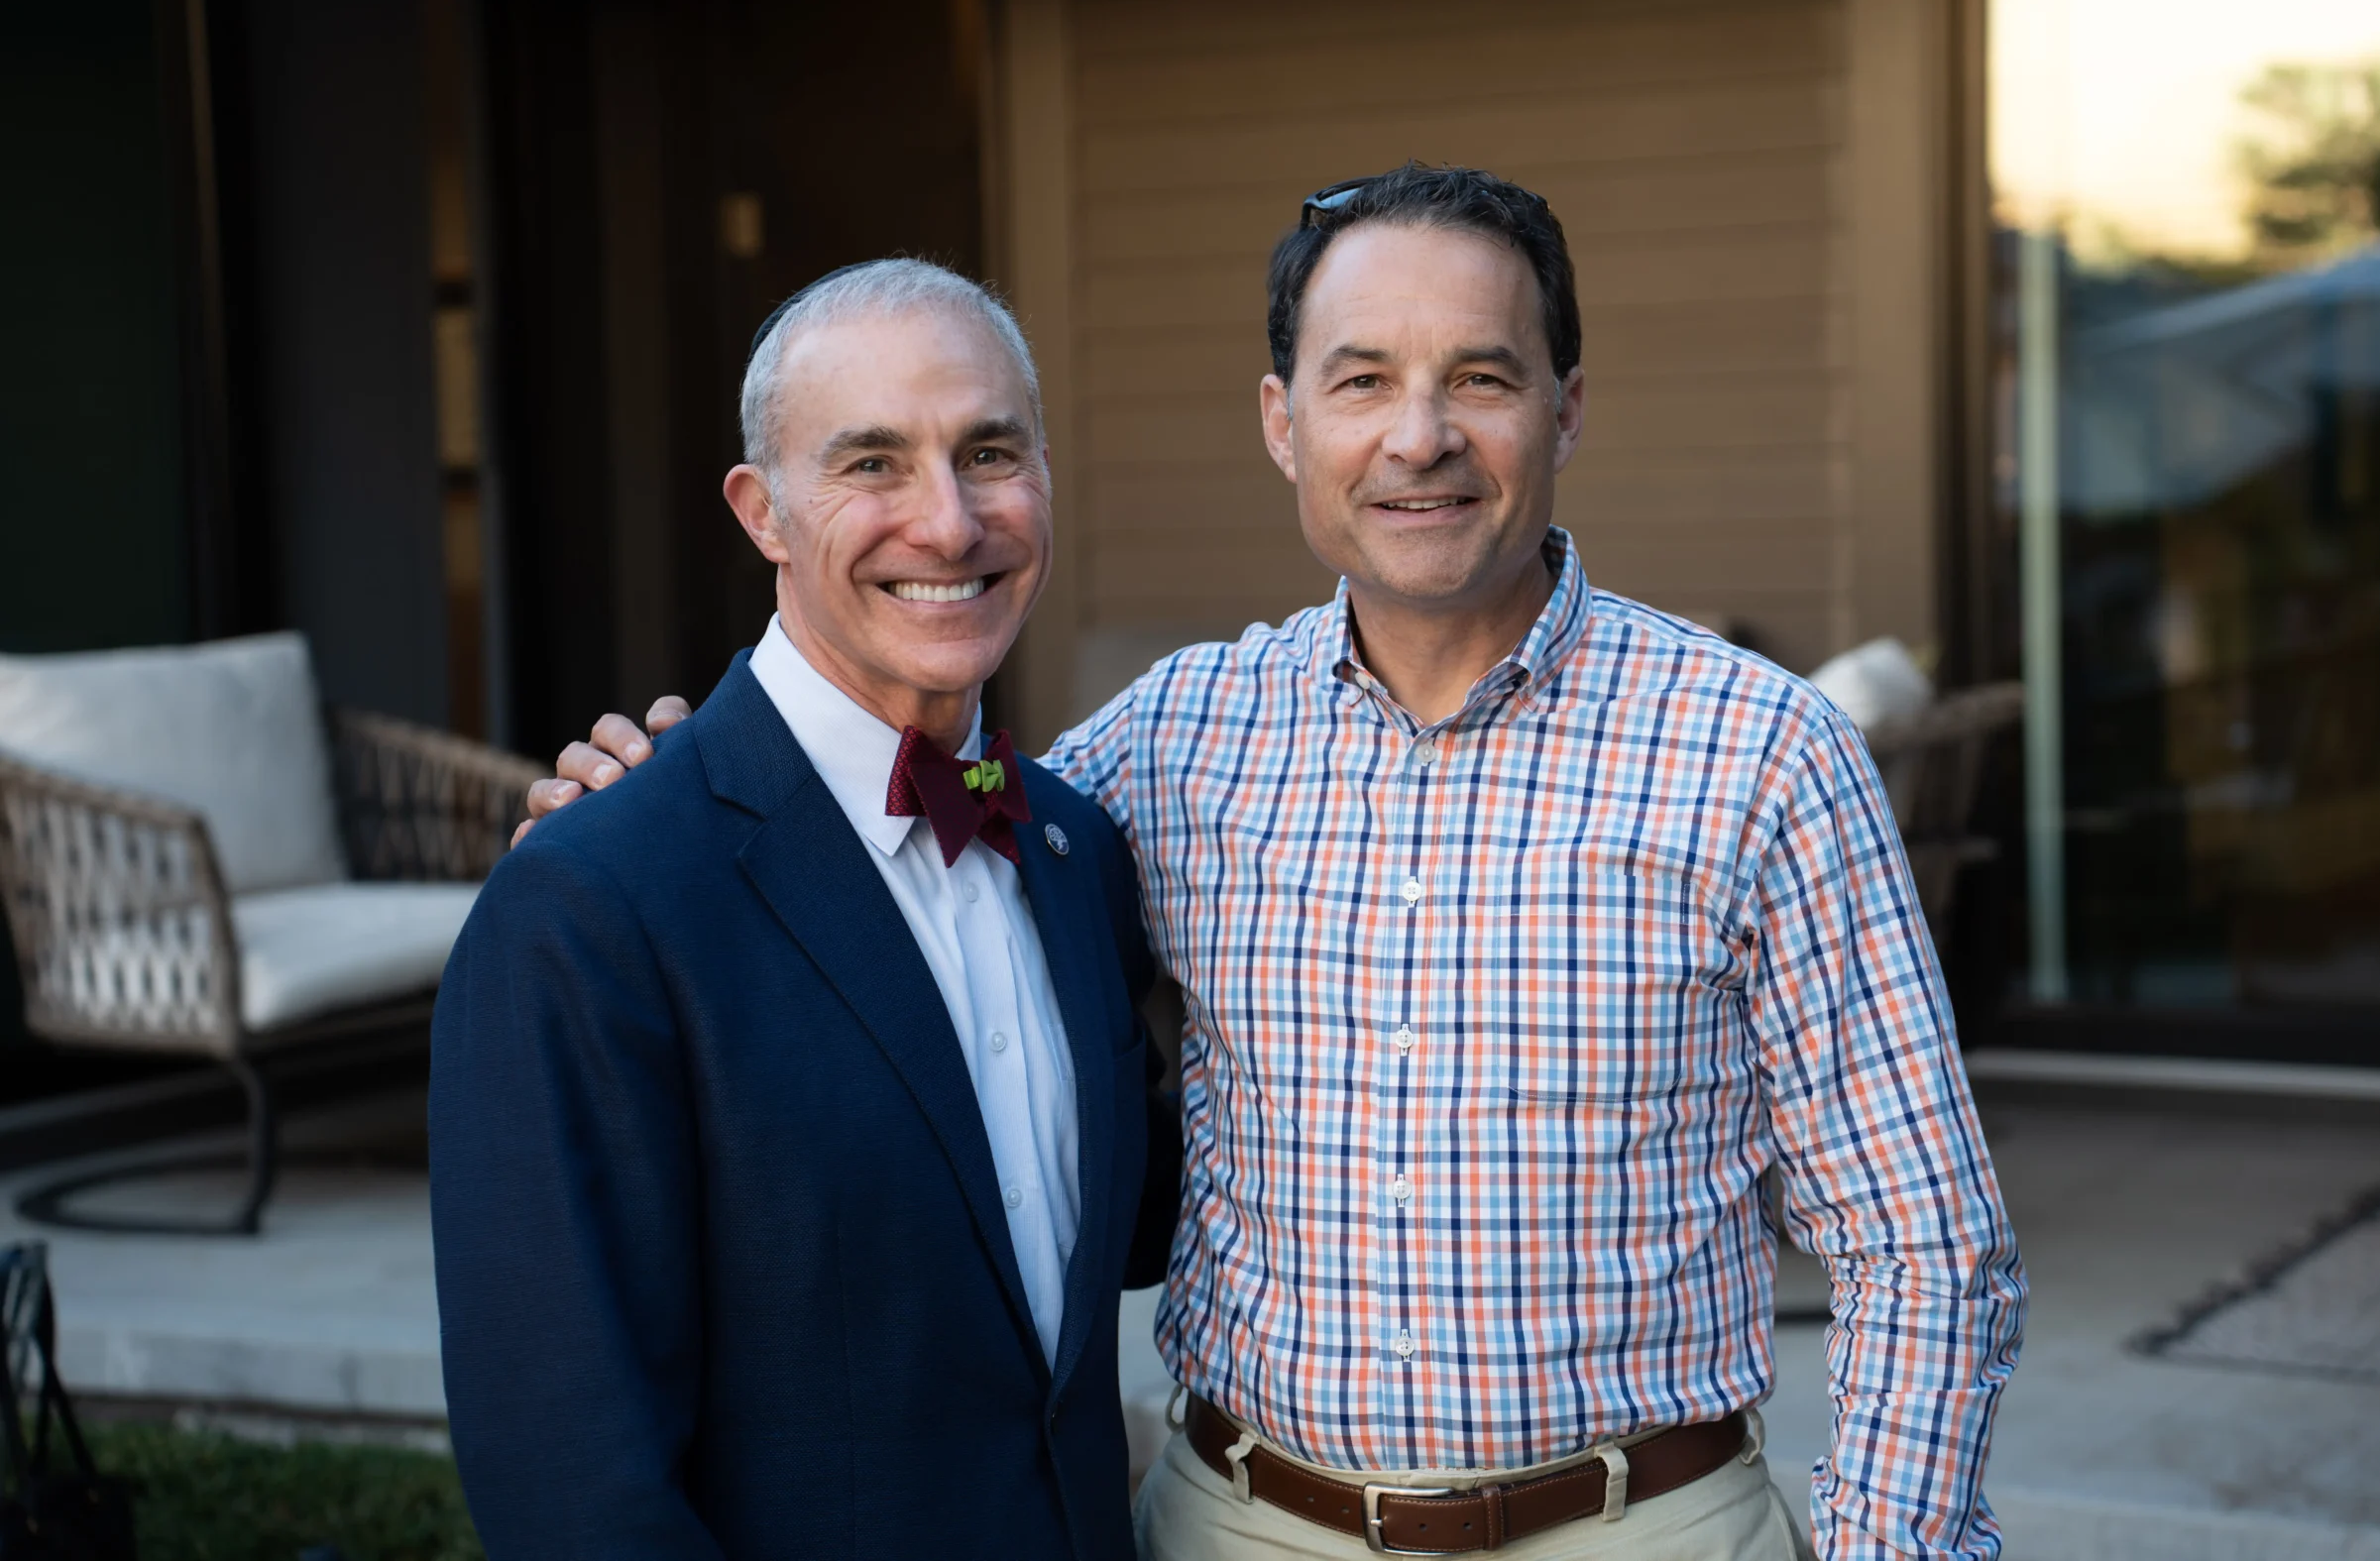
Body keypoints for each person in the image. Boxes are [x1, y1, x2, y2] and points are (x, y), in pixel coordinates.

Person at [530, 165, 2027, 1560]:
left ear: (1565, 410)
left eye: (1482, 378)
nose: (1419, 435)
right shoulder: (1171, 743)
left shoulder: (1761, 753)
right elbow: (899, 831)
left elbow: (1924, 1242)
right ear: (1282, 421)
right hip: (1238, 1522)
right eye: (1361, 379)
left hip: (1637, 1521)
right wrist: (666, 800)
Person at [432, 260, 1176, 1560]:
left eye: (989, 451)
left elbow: (1106, 1241)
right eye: (873, 464)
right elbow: (570, 1483)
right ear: (762, 509)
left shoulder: (1072, 847)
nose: (947, 523)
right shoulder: (593, 902)